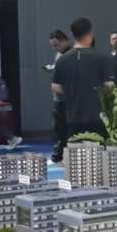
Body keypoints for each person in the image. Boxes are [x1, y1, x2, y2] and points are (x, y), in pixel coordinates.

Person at [51, 16, 113, 141]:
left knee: (75, 151)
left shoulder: (62, 60)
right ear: (90, 33)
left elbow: (55, 86)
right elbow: (109, 86)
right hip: (97, 117)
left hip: (72, 117)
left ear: (71, 34)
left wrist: (72, 92)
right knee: (98, 150)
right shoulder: (102, 58)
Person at [43, 29, 71, 161]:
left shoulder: (71, 55)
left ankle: (59, 155)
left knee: (63, 129)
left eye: (56, 44)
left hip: (67, 97)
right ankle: (60, 154)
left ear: (64, 40)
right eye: (52, 46)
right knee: (59, 127)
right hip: (59, 97)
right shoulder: (59, 54)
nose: (55, 48)